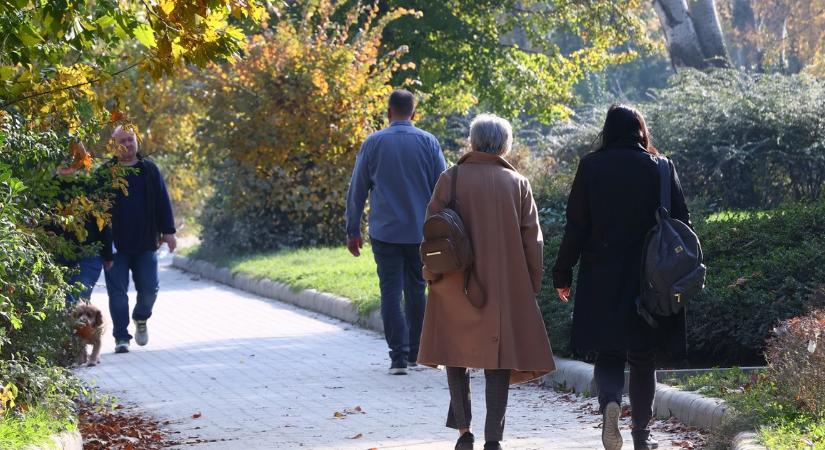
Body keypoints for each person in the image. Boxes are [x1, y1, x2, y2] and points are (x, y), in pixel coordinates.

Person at [552, 105, 692, 450]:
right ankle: (641, 436)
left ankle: (611, 403)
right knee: (643, 357)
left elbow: (577, 225)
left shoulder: (590, 167)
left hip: (602, 274)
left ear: (607, 132)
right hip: (650, 279)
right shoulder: (661, 168)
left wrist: (562, 271)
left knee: (609, 353)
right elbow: (683, 223)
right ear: (641, 131)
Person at [417, 114, 555, 450]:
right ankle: (493, 437)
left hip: (453, 281)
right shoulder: (518, 183)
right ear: (505, 145)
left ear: (472, 142)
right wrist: (530, 286)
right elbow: (532, 242)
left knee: (455, 355)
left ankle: (464, 432)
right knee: (498, 359)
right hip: (503, 287)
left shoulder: (451, 179)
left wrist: (431, 274)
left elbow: (432, 231)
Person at [345, 89, 447, 375]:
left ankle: (397, 358)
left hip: (385, 231)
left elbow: (357, 190)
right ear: (413, 113)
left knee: (390, 291)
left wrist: (352, 230)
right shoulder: (429, 142)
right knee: (417, 289)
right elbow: (443, 186)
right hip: (420, 232)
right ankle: (417, 353)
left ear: (389, 112)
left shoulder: (373, 143)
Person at [102, 125, 177, 354]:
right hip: (115, 246)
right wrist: (101, 244)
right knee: (118, 294)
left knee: (149, 290)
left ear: (137, 141)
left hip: (145, 243)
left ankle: (141, 317)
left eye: (131, 139)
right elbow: (96, 211)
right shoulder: (106, 174)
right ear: (114, 145)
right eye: (122, 140)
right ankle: (121, 337)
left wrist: (169, 231)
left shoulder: (149, 170)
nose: (128, 144)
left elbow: (163, 201)